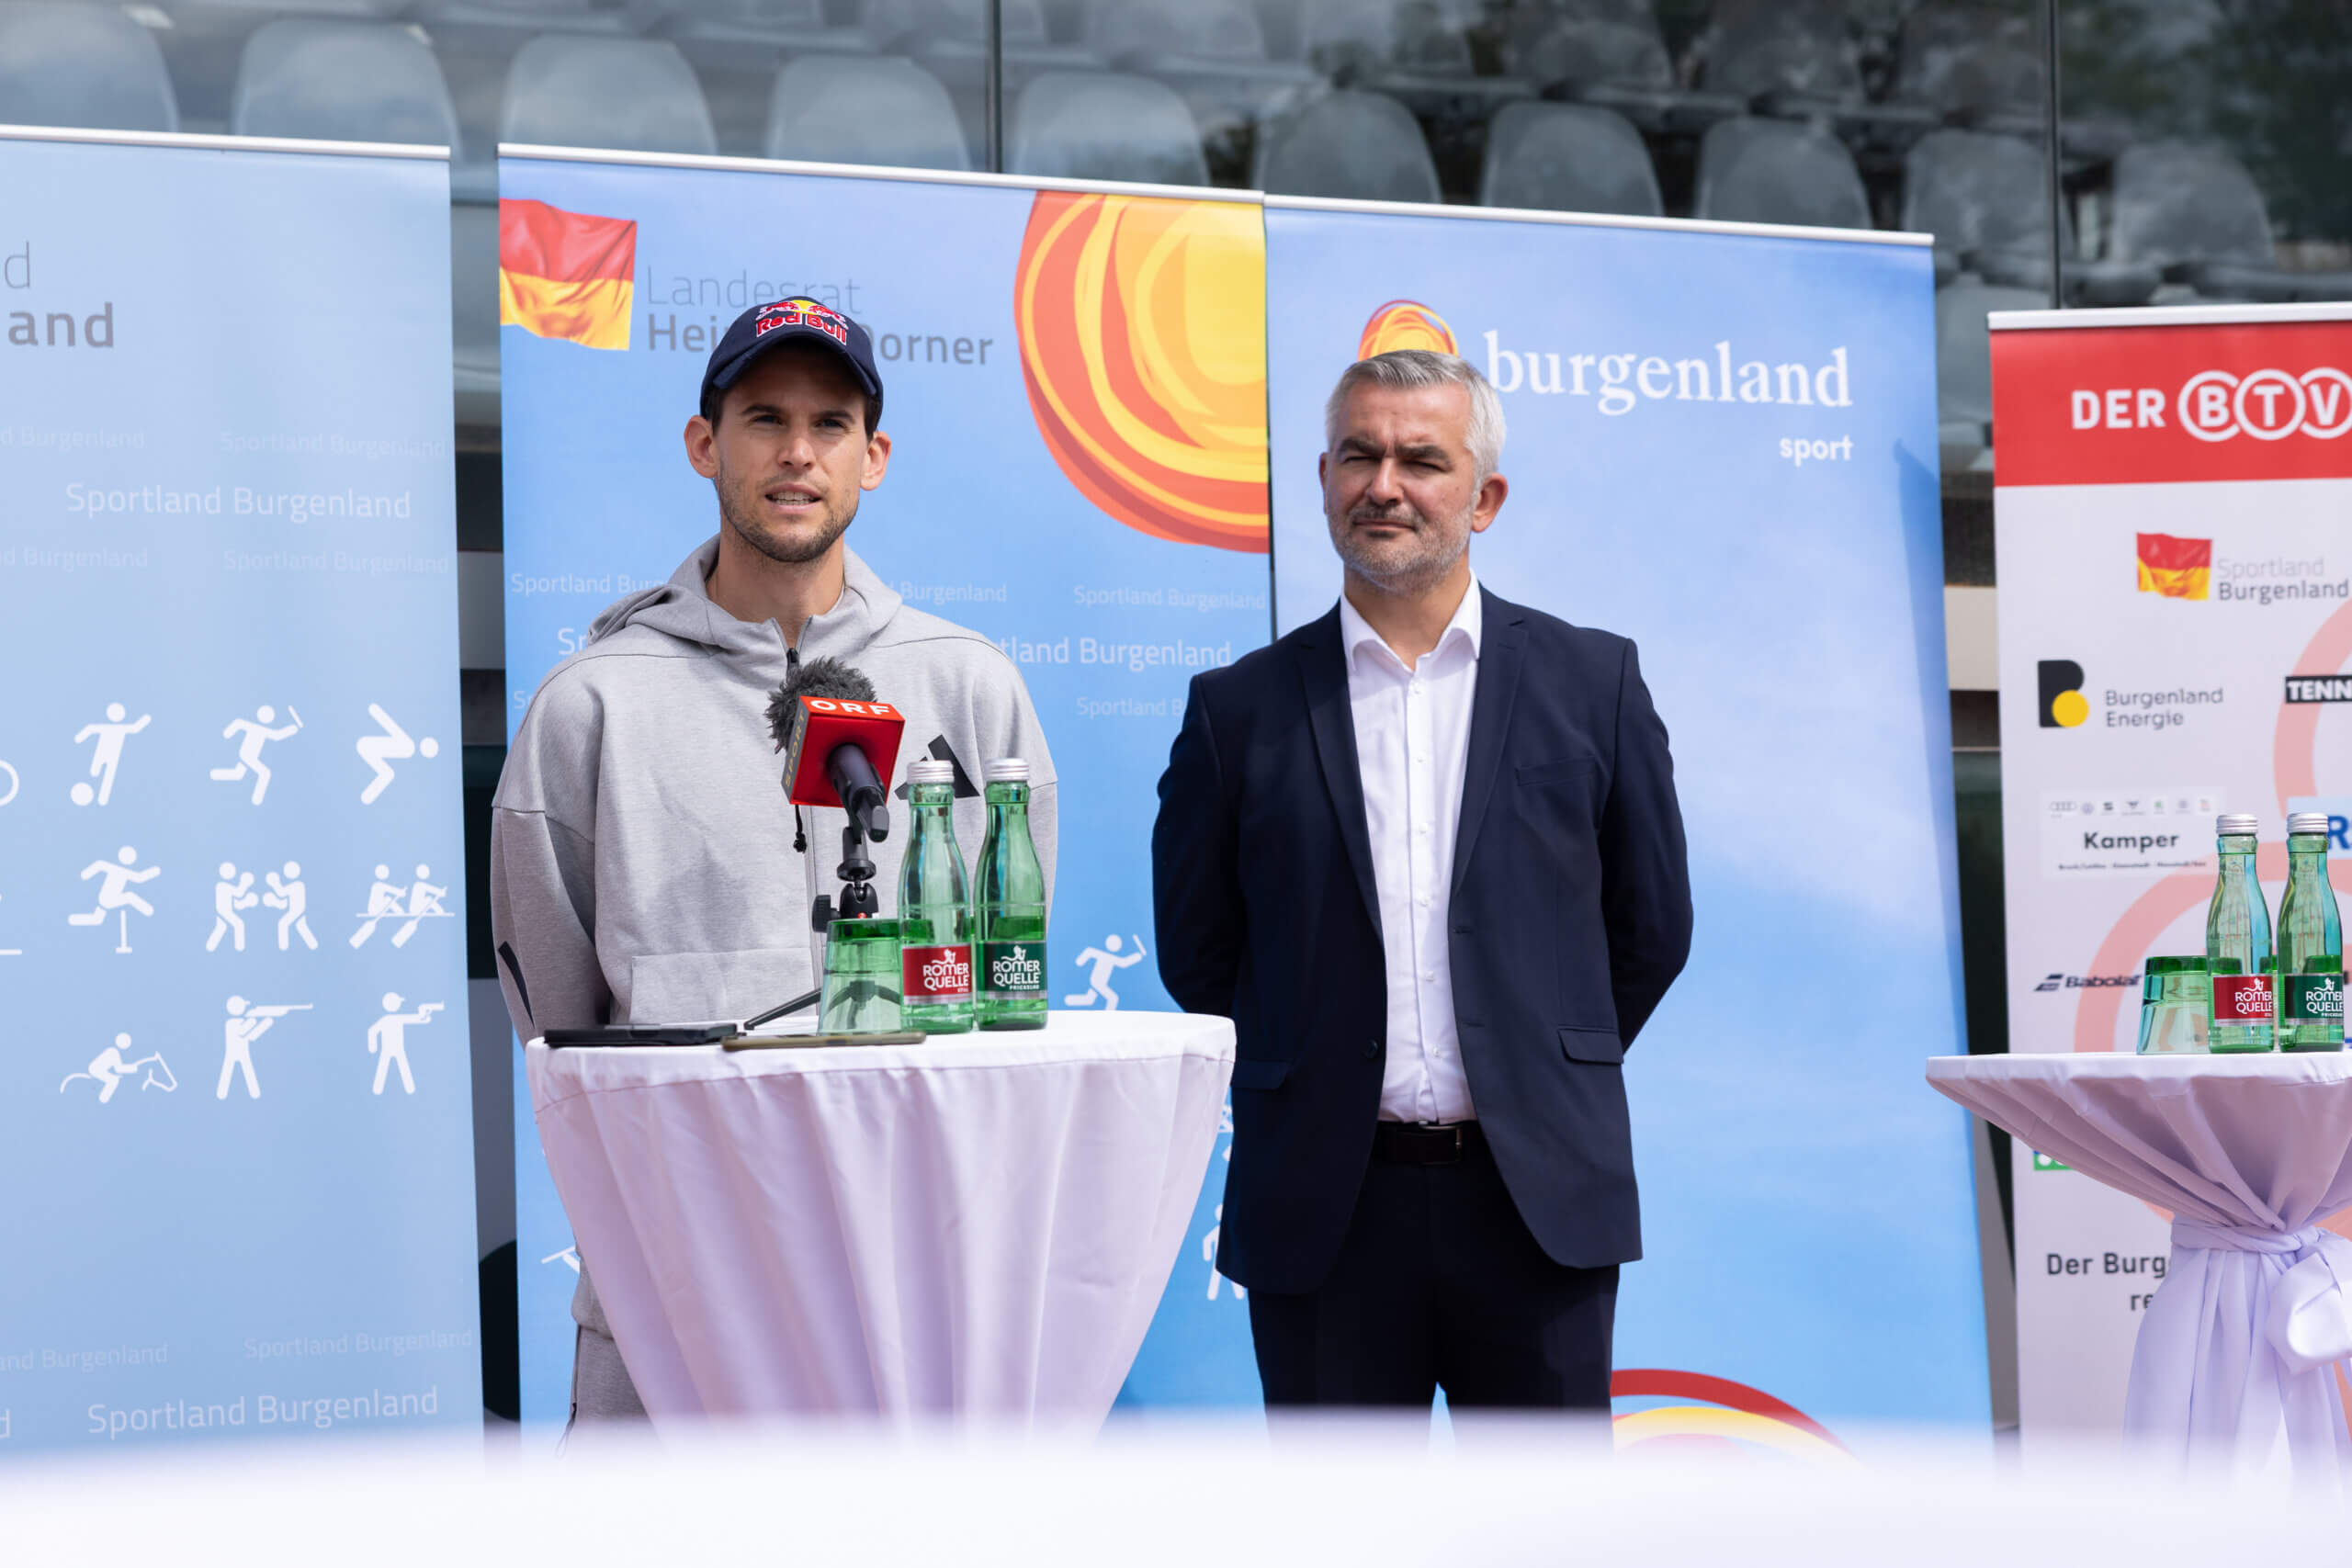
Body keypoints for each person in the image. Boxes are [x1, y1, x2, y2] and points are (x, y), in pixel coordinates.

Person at [491, 296, 1057, 1432]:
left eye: (830, 423)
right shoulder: (592, 703)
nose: (798, 452)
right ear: (705, 444)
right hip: (673, 1294)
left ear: (873, 457)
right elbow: (559, 1028)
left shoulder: (971, 686)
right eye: (763, 419)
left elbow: (1005, 978)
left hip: (915, 1292)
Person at [1151, 349, 1691, 1416]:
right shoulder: (1238, 711)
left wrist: (1534, 1061)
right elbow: (1198, 952)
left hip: (1537, 1204)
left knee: (1545, 1511)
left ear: (1483, 498)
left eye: (1422, 461)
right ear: (1323, 480)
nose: (1383, 485)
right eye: (1359, 456)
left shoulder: (1593, 684)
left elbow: (1651, 928)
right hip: (1323, 1208)